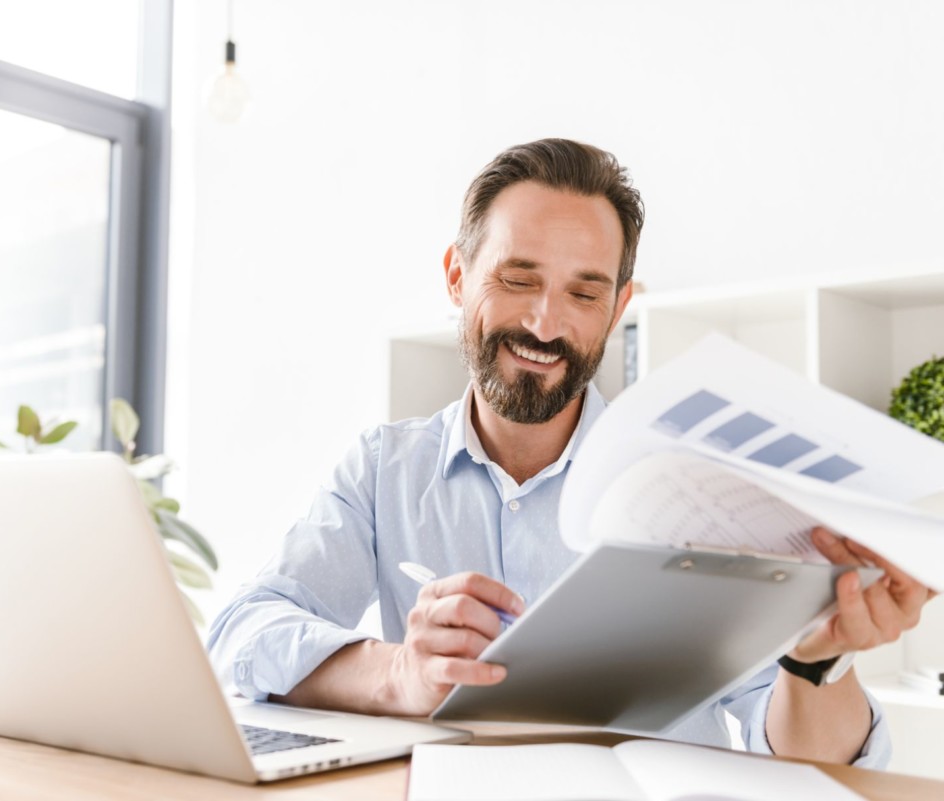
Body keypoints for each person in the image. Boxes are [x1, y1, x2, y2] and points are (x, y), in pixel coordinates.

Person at [206, 138, 935, 768]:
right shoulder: (385, 468)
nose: (545, 323)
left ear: (618, 310)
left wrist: (815, 660)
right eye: (518, 279)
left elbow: (801, 760)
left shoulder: (703, 494)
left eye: (584, 294)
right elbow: (243, 631)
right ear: (458, 278)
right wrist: (400, 671)